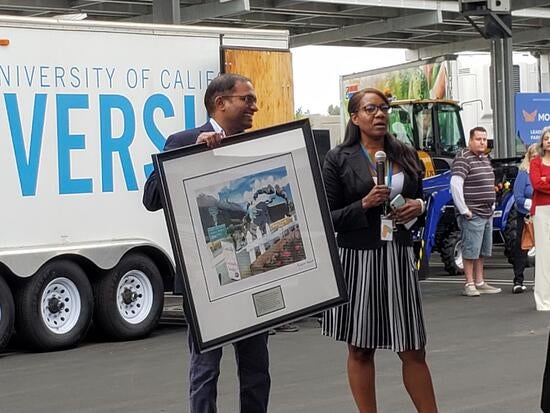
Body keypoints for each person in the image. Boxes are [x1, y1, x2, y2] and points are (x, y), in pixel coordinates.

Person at [143, 73, 270, 413]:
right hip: (204, 281)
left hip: (250, 279)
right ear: (221, 103)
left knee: (257, 370)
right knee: (205, 369)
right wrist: (191, 153)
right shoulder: (182, 140)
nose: (255, 106)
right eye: (247, 99)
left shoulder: (254, 145)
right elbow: (151, 198)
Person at [322, 87, 438, 413]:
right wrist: (363, 204)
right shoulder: (338, 159)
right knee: (360, 348)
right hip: (357, 259)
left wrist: (417, 205)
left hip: (397, 255)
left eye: (384, 108)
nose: (380, 114)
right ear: (355, 117)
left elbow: (421, 198)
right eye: (371, 109)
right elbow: (327, 216)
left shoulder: (404, 153)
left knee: (412, 347)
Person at [450, 126, 501, 297]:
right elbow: (455, 184)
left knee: (481, 250)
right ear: (470, 141)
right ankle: (469, 284)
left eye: (484, 139)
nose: (482, 142)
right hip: (473, 212)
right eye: (478, 139)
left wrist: (492, 205)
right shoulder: (463, 159)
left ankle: (480, 282)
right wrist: (464, 210)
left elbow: (489, 182)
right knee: (470, 250)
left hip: (486, 212)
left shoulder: (485, 158)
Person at [511, 143, 539, 293]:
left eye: (538, 155)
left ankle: (540, 281)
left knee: (543, 250)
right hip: (526, 216)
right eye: (533, 156)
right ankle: (518, 280)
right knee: (522, 247)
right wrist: (532, 204)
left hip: (543, 215)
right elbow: (518, 197)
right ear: (528, 157)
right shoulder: (523, 173)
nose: (536, 158)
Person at [530, 126, 550, 311]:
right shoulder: (536, 162)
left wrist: (546, 180)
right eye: (546, 138)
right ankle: (543, 300)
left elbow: (543, 183)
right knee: (544, 255)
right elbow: (536, 183)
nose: (549, 141)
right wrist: (543, 181)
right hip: (542, 210)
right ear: (542, 142)